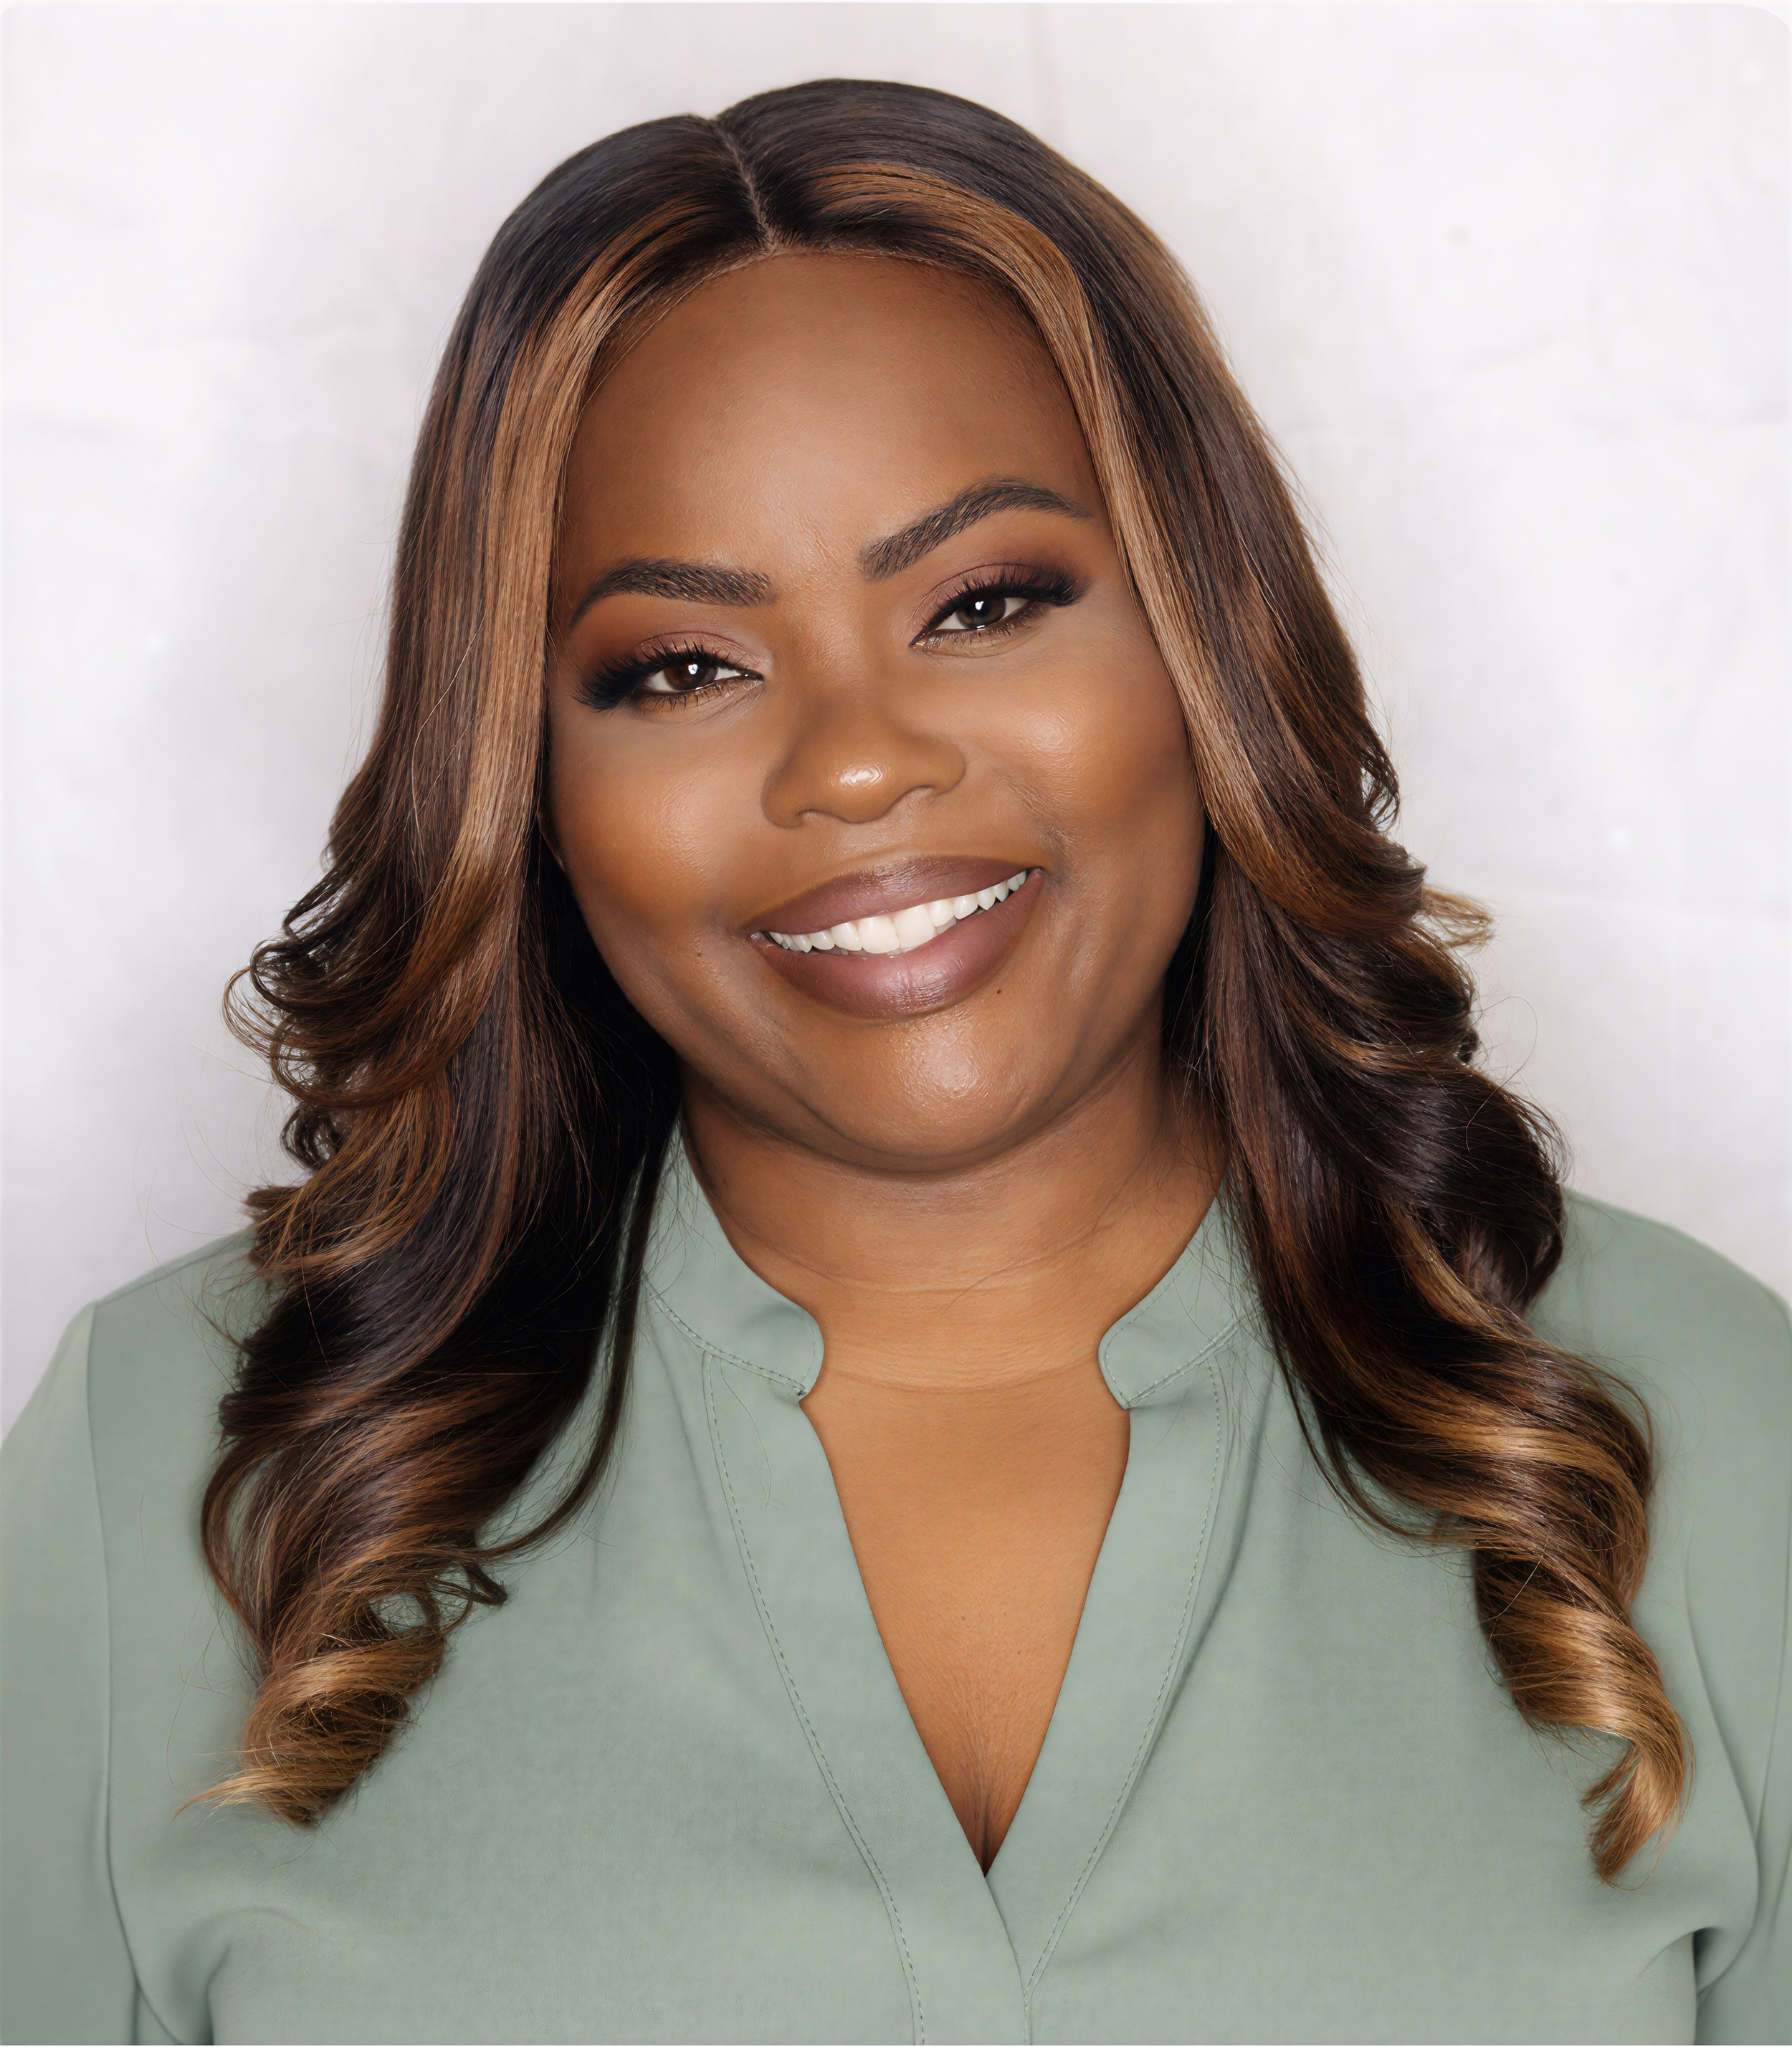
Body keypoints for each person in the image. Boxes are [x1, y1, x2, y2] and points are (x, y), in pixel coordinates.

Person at [1, 77, 1786, 2047]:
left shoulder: (1689, 1423)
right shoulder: (175, 1467)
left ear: (1202, 642)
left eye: (984, 602)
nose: (853, 761)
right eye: (681, 666)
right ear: (529, 779)